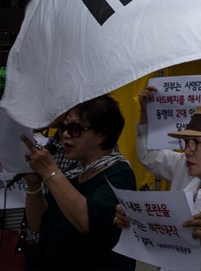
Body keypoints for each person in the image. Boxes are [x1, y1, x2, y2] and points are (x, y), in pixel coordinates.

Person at [122, 86, 201, 271]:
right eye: (186, 142)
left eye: (197, 142)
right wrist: (136, 222)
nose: (188, 151)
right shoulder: (193, 184)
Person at [21, 95, 136, 270]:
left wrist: (51, 171)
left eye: (75, 129)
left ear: (102, 135)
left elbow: (88, 221)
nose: (65, 135)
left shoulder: (119, 174)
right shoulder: (74, 171)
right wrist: (34, 184)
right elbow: (37, 224)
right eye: (63, 127)